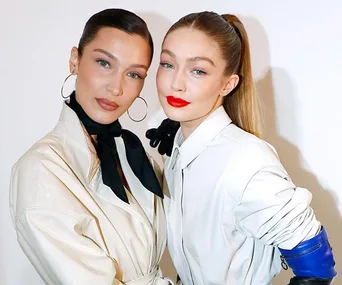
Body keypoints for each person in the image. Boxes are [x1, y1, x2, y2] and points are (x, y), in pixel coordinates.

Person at [146, 11, 336, 285]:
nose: (176, 83)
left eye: (197, 70)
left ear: (228, 83)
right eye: (167, 64)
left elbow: (317, 266)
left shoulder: (245, 160)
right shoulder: (179, 148)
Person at [9, 8, 173, 285]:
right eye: (104, 63)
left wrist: (188, 147)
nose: (116, 88)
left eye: (134, 74)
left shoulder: (137, 157)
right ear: (75, 60)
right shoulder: (40, 169)